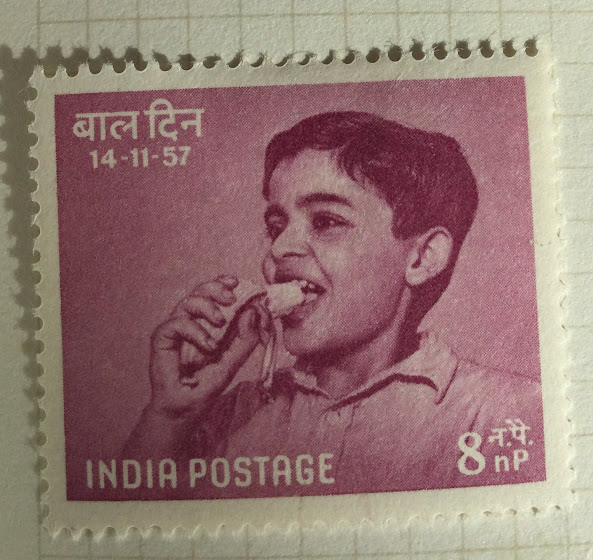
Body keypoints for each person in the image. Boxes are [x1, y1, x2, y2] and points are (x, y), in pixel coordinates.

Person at [124, 111, 544, 498]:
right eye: (276, 226)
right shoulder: (230, 417)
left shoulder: (507, 416)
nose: (279, 249)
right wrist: (171, 417)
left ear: (421, 258)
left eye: (326, 221)